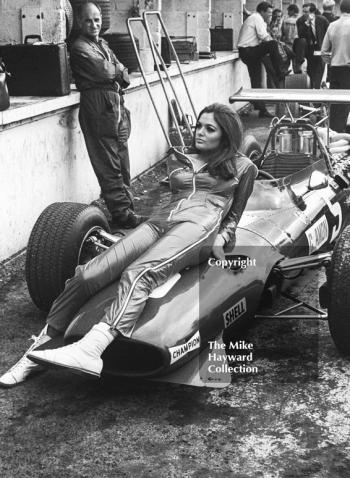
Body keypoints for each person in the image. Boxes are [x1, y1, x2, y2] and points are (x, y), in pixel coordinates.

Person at [0, 104, 258, 387]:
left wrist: (222, 238)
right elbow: (174, 198)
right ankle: (37, 352)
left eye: (210, 129)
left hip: (199, 227)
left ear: (226, 134)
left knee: (140, 272)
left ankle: (92, 349)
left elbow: (233, 217)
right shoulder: (180, 157)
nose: (200, 132)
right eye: (198, 126)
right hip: (159, 221)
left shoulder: (243, 167)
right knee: (87, 274)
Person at [70, 1, 144, 230]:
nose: (93, 24)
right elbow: (105, 70)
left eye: (97, 20)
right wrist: (116, 71)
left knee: (122, 162)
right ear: (80, 22)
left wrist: (117, 71)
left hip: (116, 106)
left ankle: (128, 209)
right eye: (88, 20)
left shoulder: (102, 43)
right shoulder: (79, 46)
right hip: (98, 106)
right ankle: (121, 214)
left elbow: (124, 73)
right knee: (108, 164)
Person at [237, 1, 289, 118]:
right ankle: (280, 71)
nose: (271, 16)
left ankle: (261, 109)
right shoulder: (256, 18)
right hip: (248, 50)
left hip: (248, 51)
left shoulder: (258, 19)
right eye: (269, 13)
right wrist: (276, 45)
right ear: (262, 12)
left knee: (256, 81)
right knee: (272, 44)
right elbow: (264, 37)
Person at [321, 0, 350, 132]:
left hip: (335, 68)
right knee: (345, 104)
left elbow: (324, 51)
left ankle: (333, 135)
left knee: (336, 104)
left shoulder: (332, 25)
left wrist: (331, 60)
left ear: (340, 9)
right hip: (348, 68)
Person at [297, 2, 329, 88]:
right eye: (303, 12)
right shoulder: (300, 21)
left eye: (306, 12)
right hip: (309, 48)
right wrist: (306, 23)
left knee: (320, 68)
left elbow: (328, 33)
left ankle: (317, 87)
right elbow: (300, 35)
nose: (304, 14)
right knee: (311, 70)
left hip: (320, 47)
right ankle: (312, 87)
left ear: (313, 12)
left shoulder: (322, 20)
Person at [281, 4, 304, 73]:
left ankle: (283, 81)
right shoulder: (301, 20)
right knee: (297, 66)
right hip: (297, 45)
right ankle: (298, 81)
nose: (287, 13)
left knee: (284, 66)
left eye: (288, 11)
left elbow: (283, 33)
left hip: (287, 45)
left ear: (292, 11)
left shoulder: (285, 21)